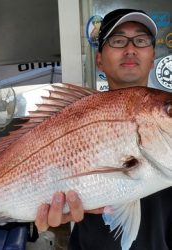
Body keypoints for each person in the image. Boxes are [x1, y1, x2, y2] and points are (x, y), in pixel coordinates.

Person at [35, 9, 172, 250]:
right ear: (99, 59)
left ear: (152, 57)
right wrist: (53, 217)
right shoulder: (71, 116)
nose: (130, 49)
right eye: (118, 41)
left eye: (140, 40)